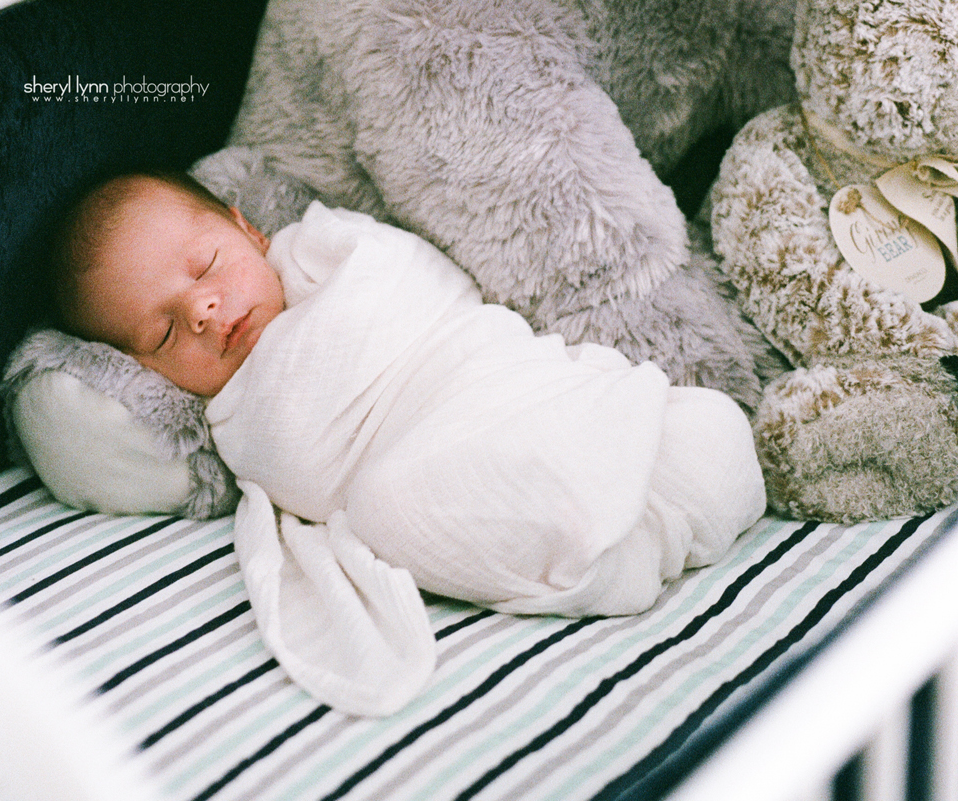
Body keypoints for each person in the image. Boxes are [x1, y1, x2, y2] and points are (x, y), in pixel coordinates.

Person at [50, 170, 766, 715]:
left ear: (250, 231)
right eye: (164, 333)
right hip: (427, 470)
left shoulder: (329, 254)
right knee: (387, 509)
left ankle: (636, 470)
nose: (203, 310)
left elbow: (427, 287)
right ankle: (620, 543)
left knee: (702, 436)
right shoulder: (223, 419)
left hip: (487, 379)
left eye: (206, 267)